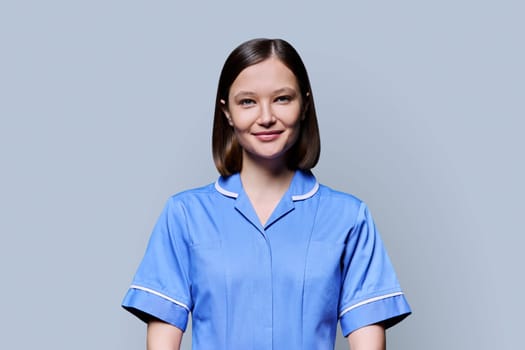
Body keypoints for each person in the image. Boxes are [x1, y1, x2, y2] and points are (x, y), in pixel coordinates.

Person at [122, 38, 411, 350]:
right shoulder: (184, 215)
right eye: (247, 101)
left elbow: (368, 339)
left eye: (282, 99)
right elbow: (163, 339)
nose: (266, 117)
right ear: (227, 112)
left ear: (305, 105)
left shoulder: (349, 218)